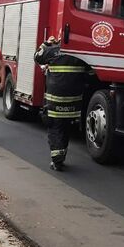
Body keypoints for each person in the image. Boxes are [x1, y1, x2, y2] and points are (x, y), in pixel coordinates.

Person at [34, 36, 91, 171]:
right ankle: (61, 156)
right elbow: (90, 72)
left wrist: (45, 44)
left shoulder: (53, 51)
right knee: (65, 127)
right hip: (73, 100)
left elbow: (37, 57)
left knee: (55, 127)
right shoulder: (81, 53)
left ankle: (57, 159)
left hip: (55, 99)